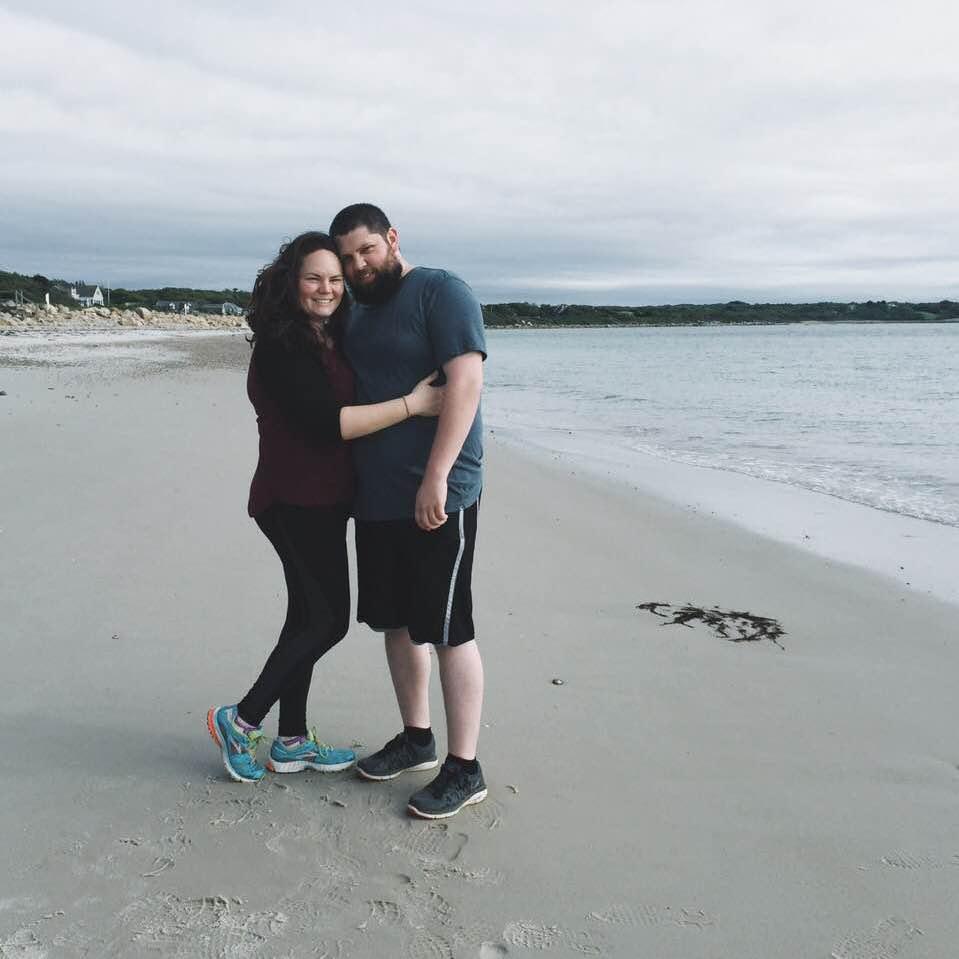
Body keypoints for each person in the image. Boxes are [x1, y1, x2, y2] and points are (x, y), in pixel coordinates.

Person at [207, 231, 443, 784]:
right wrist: (415, 404)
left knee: (305, 617)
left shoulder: (326, 335)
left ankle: (291, 740)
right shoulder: (282, 344)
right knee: (328, 620)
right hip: (291, 501)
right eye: (314, 277)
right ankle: (240, 720)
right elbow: (329, 423)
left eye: (336, 279)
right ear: (292, 281)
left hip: (325, 501)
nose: (327, 289)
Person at [329, 203, 488, 819]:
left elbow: (465, 385)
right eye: (347, 259)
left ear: (392, 239)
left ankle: (464, 767)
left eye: (366, 251)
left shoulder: (441, 292)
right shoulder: (358, 308)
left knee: (448, 628)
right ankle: (416, 738)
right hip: (377, 496)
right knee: (396, 623)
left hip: (439, 492)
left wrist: (438, 477)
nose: (357, 266)